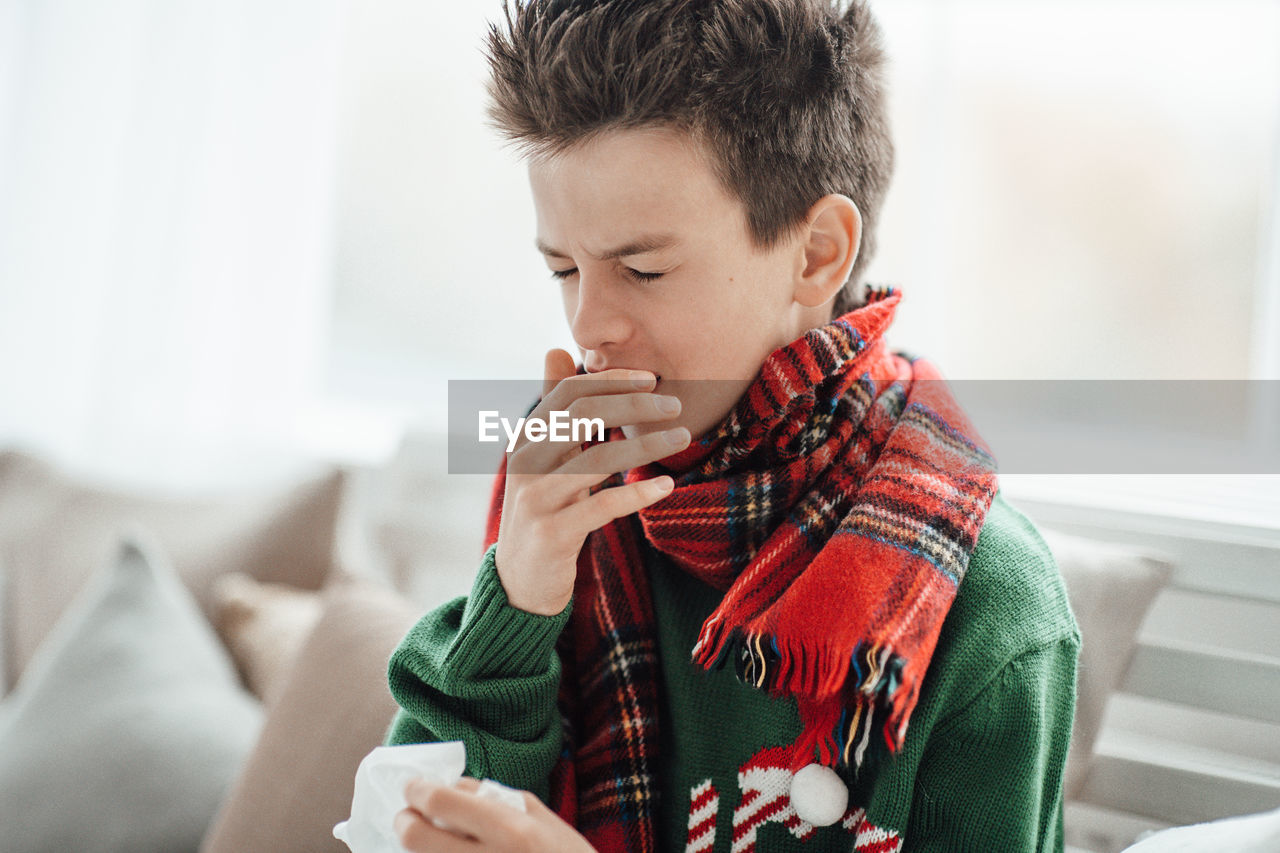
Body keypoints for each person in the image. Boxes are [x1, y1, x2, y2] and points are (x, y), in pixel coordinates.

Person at [384, 1, 1081, 850]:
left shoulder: (988, 613)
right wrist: (519, 595)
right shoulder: (572, 508)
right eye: (563, 267)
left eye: (641, 268)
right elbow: (407, 825)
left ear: (816, 253)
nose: (587, 324)